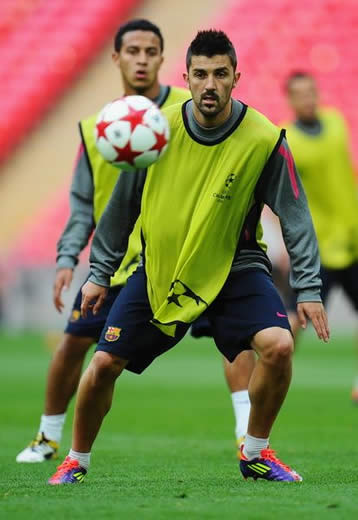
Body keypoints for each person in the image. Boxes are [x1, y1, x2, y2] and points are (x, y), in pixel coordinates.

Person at [48, 30, 329, 485]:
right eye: (200, 74)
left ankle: (255, 452)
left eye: (220, 74)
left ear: (236, 76)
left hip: (235, 268)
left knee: (278, 346)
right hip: (162, 269)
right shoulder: (157, 130)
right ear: (187, 77)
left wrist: (309, 289)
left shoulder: (264, 138)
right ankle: (75, 460)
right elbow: (122, 209)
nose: (210, 85)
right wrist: (99, 273)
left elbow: (295, 217)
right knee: (102, 366)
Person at [16, 19, 254, 464]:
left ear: (164, 60)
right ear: (117, 58)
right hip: (116, 264)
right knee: (77, 346)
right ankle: (48, 438)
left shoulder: (195, 109)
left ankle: (247, 433)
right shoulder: (97, 128)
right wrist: (69, 256)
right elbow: (84, 203)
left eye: (150, 51)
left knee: (237, 339)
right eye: (133, 51)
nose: (141, 60)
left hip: (183, 259)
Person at [284, 71, 358, 401]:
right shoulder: (290, 142)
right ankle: (274, 369)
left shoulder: (335, 120)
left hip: (353, 236)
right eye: (300, 94)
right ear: (290, 99)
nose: (308, 98)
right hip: (318, 246)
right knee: (295, 319)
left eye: (311, 91)